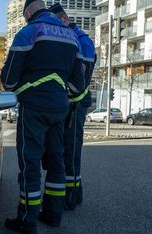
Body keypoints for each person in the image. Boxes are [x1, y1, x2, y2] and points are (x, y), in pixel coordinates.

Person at [0, 0, 85, 234]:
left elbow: (8, 80)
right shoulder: (71, 36)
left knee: (30, 164)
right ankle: (53, 214)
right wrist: (59, 91)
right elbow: (79, 83)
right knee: (57, 161)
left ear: (28, 13)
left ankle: (27, 220)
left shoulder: (29, 32)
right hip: (60, 108)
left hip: (34, 108)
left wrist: (29, 85)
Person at [48, 3, 97, 210]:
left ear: (64, 20)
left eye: (55, 24)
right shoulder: (74, 38)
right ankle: (73, 195)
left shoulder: (81, 41)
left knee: (71, 152)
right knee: (64, 151)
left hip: (75, 106)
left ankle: (72, 196)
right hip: (70, 105)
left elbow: (81, 78)